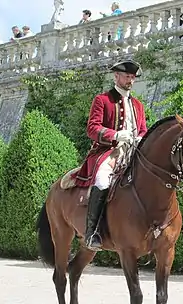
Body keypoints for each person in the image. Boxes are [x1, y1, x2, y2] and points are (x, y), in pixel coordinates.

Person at [73, 60, 148, 251]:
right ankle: (92, 232)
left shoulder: (138, 105)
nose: (130, 81)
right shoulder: (102, 100)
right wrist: (114, 135)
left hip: (133, 152)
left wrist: (141, 138)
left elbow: (142, 130)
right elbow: (92, 128)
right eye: (127, 77)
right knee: (102, 180)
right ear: (116, 76)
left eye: (132, 77)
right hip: (110, 151)